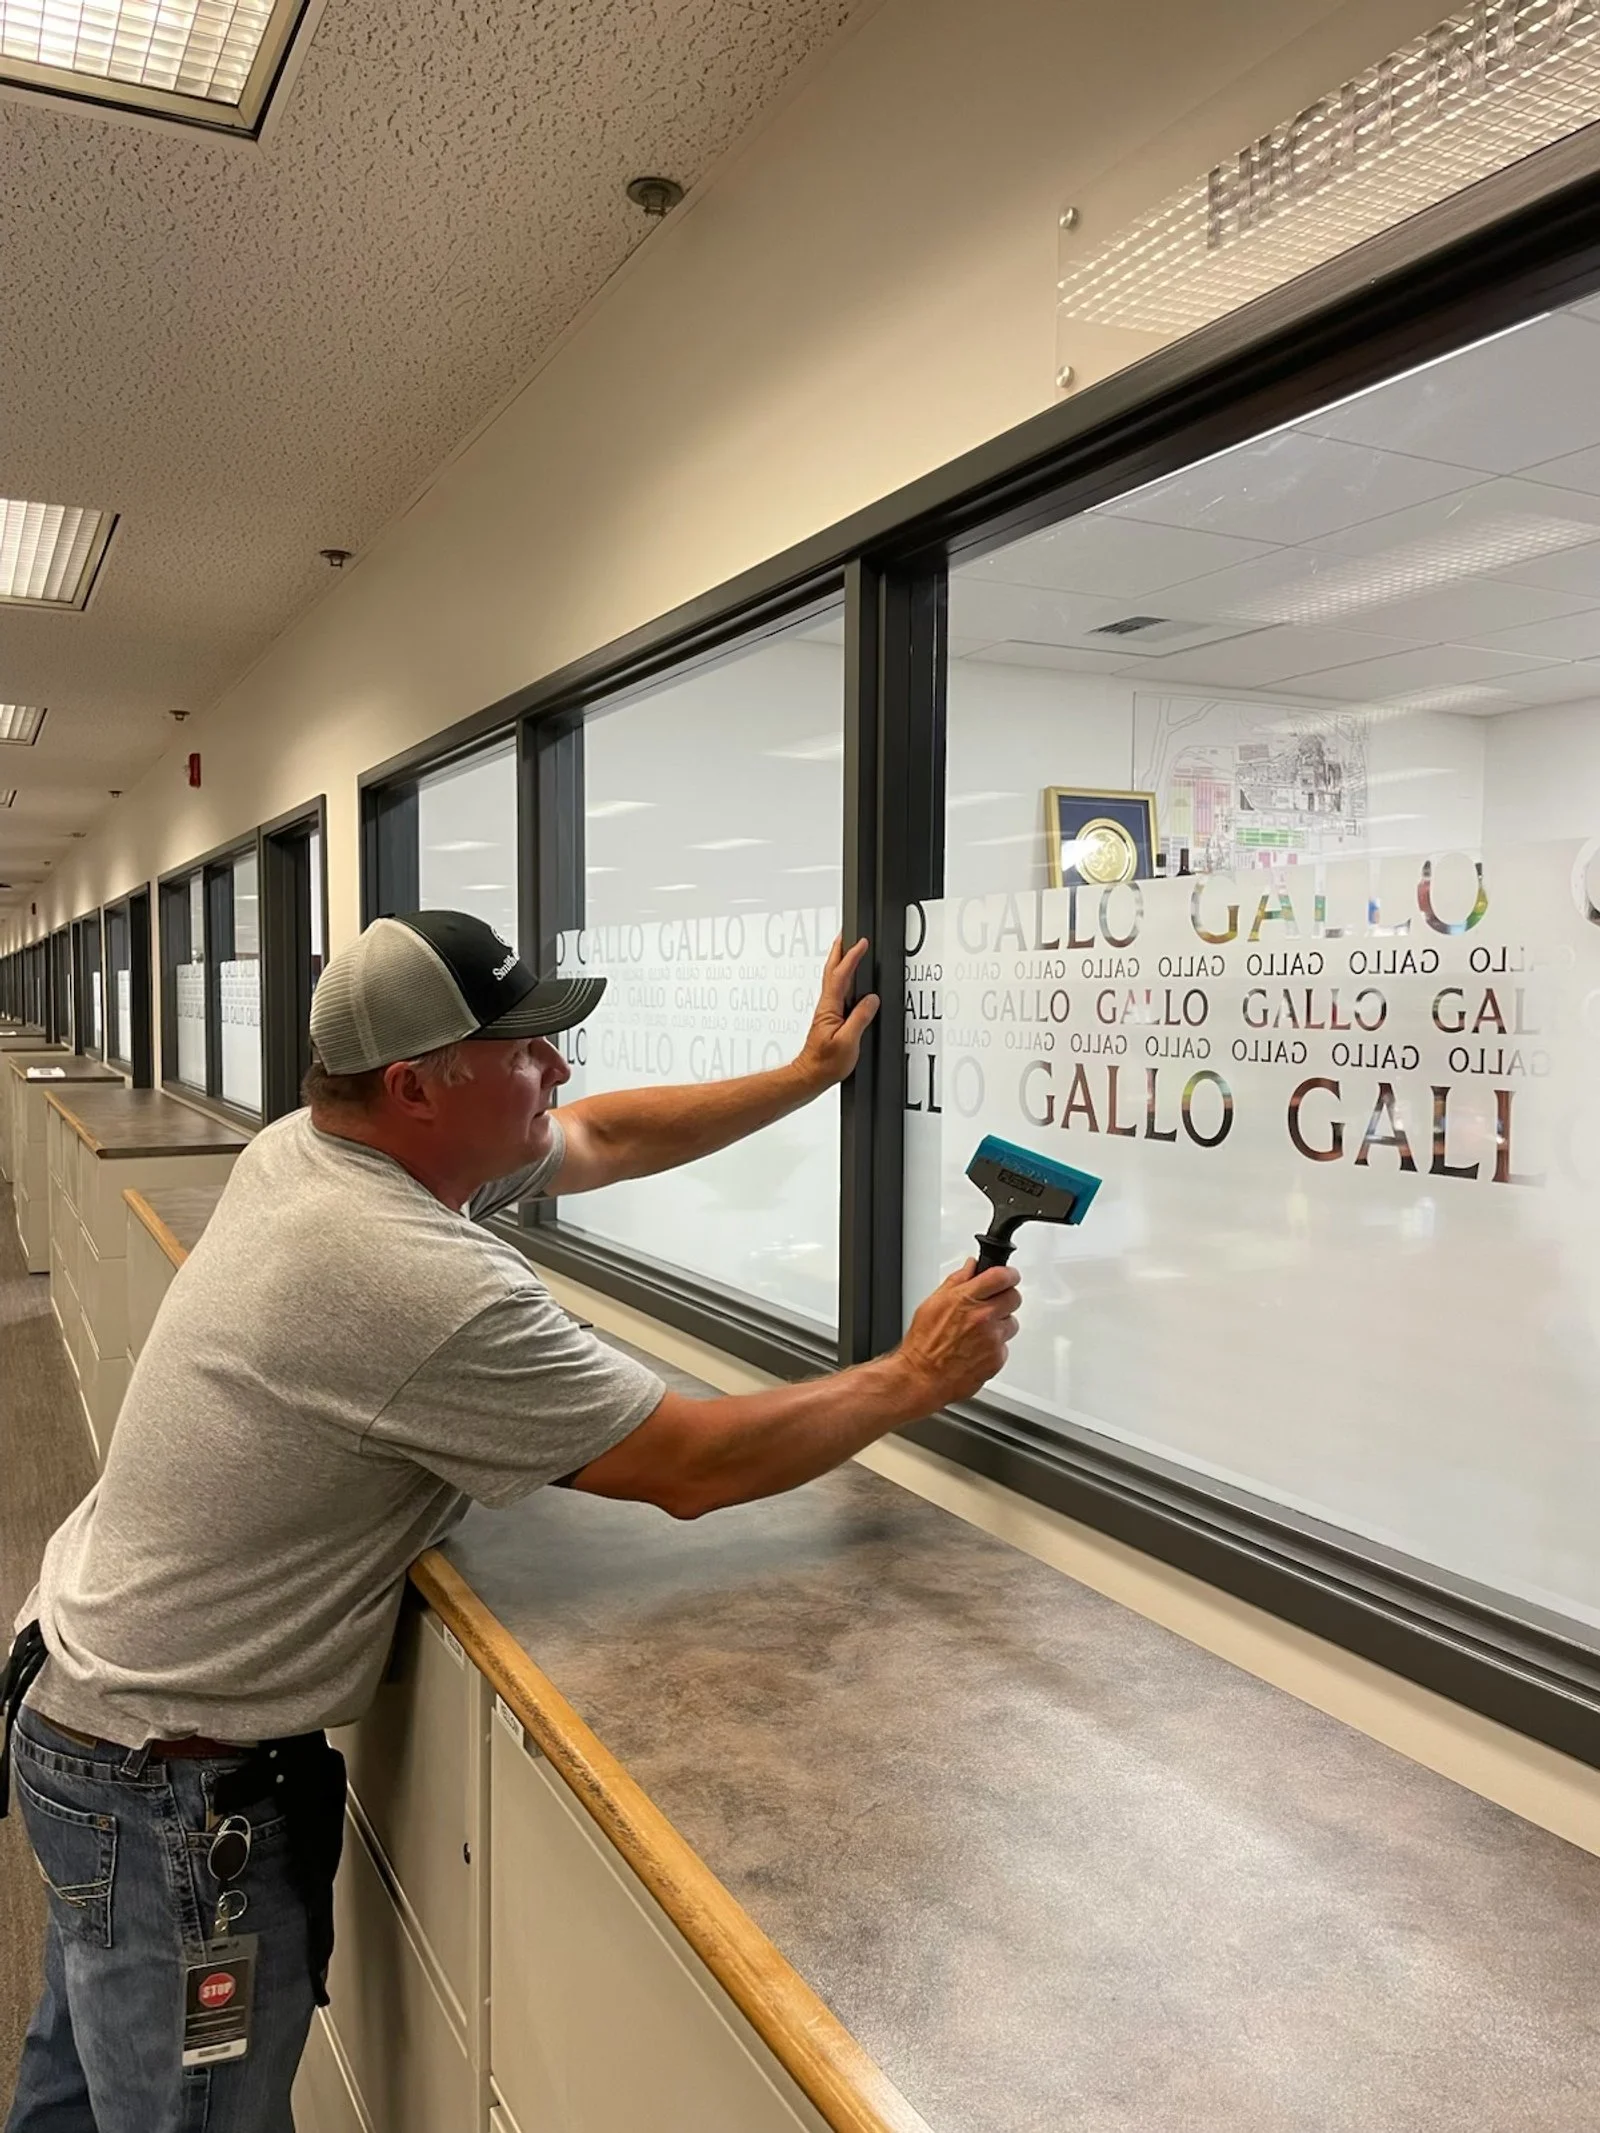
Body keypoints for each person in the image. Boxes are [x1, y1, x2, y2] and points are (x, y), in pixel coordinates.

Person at [0, 909, 1021, 2133]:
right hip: (169, 1787)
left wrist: (804, 1077)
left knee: (76, 2103)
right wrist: (912, 1377)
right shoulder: (402, 1269)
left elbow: (600, 1136)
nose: (559, 1069)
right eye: (527, 1048)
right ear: (419, 1085)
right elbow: (690, 1465)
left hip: (84, 1711)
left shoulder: (314, 1147)